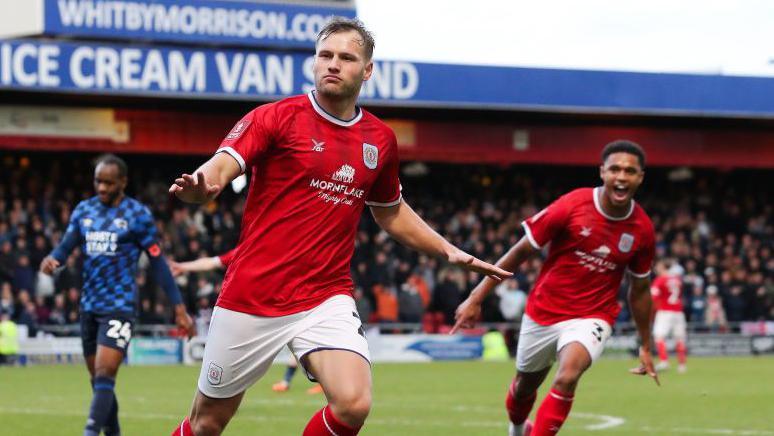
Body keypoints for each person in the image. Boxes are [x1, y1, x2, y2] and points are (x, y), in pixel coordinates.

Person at [168, 17, 511, 436]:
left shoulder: (380, 139)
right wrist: (199, 188)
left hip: (324, 294)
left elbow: (389, 210)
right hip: (254, 294)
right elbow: (218, 170)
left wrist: (447, 250)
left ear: (366, 70)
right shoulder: (275, 118)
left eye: (346, 57)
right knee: (206, 424)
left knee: (353, 403)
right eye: (325, 55)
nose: (332, 64)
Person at [453, 140, 659, 436]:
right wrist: (476, 297)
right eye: (615, 169)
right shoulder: (573, 205)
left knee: (567, 376)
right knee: (524, 388)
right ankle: (516, 428)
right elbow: (519, 252)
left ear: (640, 177)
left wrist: (646, 345)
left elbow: (639, 291)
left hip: (593, 315)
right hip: (543, 311)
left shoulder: (642, 229)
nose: (621, 176)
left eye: (630, 171)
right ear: (602, 172)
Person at [40, 154, 196, 436]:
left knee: (104, 375)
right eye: (98, 181)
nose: (101, 188)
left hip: (120, 306)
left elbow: (158, 262)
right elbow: (64, 248)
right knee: (98, 382)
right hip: (89, 307)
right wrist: (52, 259)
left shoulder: (137, 215)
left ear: (122, 182)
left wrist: (178, 307)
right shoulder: (84, 211)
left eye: (108, 183)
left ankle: (89, 432)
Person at [170, 249, 324, 395]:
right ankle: (291, 382)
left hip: (284, 310)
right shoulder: (249, 250)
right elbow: (212, 262)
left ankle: (306, 382)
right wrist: (184, 266)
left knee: (304, 349)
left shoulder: (284, 251)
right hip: (259, 312)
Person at [650, 259, 688, 373]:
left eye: (658, 266)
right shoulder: (677, 280)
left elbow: (653, 296)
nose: (656, 268)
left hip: (665, 312)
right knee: (680, 338)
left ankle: (664, 362)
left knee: (659, 337)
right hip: (679, 312)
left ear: (663, 267)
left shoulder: (660, 280)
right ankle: (682, 365)